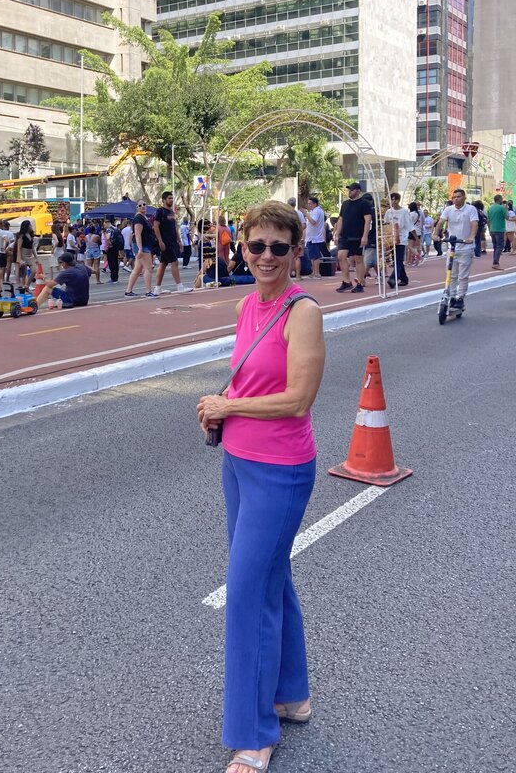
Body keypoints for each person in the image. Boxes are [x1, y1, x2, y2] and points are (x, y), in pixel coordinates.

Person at [196, 201, 324, 773]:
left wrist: (230, 406)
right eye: (256, 246)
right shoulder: (247, 304)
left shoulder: (304, 313)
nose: (266, 257)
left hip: (281, 470)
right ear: (241, 248)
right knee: (273, 579)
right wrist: (219, 406)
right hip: (238, 462)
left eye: (278, 247)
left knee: (247, 594)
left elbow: (298, 399)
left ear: (296, 251)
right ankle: (291, 695)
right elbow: (249, 380)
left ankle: (253, 735)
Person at [432, 188, 478, 311]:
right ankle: (451, 297)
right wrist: (435, 234)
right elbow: (440, 223)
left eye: (458, 197)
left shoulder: (471, 209)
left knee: (463, 276)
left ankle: (460, 298)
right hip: (452, 247)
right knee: (451, 274)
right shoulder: (448, 210)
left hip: (466, 247)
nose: (456, 199)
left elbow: (474, 224)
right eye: (454, 197)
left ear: (464, 198)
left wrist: (471, 237)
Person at [152, 191, 192, 296]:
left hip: (172, 241)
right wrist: (160, 241)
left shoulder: (171, 212)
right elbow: (155, 226)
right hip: (165, 242)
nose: (171, 200)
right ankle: (180, 286)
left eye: (172, 198)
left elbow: (174, 228)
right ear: (163, 200)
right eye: (169, 198)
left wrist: (179, 241)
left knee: (163, 264)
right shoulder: (160, 211)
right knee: (174, 262)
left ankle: (157, 288)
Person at [334, 182, 372, 293]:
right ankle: (346, 282)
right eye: (349, 190)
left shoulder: (364, 204)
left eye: (352, 190)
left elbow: (368, 220)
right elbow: (341, 219)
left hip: (357, 235)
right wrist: (337, 234)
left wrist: (365, 236)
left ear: (358, 191)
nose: (349, 192)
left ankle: (360, 283)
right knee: (341, 256)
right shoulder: (345, 204)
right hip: (345, 235)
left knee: (358, 258)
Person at [125, 201, 157, 297]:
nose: (143, 206)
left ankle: (128, 291)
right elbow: (137, 234)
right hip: (142, 246)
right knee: (148, 268)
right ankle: (148, 291)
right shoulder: (138, 218)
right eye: (140, 205)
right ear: (137, 207)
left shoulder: (144, 218)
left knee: (137, 269)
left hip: (145, 245)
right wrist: (140, 248)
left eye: (144, 204)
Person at [383, 193, 412, 289]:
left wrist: (416, 238)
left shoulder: (404, 212)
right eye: (392, 199)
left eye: (395, 199)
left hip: (401, 238)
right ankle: (404, 278)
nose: (393, 201)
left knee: (398, 259)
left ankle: (393, 278)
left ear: (399, 200)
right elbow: (386, 224)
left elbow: (409, 225)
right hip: (391, 238)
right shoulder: (388, 212)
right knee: (395, 260)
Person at [303, 195, 326, 279]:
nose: (308, 205)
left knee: (315, 256)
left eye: (310, 204)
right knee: (312, 256)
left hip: (314, 238)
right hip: (312, 237)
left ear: (315, 204)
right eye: (308, 204)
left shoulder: (316, 211)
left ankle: (317, 272)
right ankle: (314, 272)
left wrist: (306, 214)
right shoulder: (315, 211)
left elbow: (313, 222)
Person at [13, 220, 38, 292]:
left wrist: (36, 257)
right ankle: (23, 287)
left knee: (34, 270)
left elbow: (32, 247)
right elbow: (19, 247)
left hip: (30, 255)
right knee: (24, 274)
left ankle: (27, 285)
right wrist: (19, 259)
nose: (31, 226)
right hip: (23, 254)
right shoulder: (22, 236)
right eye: (30, 225)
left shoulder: (30, 235)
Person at [487, 194, 507, 270]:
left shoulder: (490, 208)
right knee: (500, 246)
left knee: (495, 246)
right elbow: (507, 217)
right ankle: (496, 263)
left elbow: (488, 220)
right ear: (500, 199)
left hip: (492, 229)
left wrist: (489, 229)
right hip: (499, 229)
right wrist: (506, 209)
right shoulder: (502, 208)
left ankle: (495, 262)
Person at [104, 218, 124, 283]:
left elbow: (107, 238)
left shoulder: (109, 229)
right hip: (116, 247)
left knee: (111, 262)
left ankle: (113, 278)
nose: (104, 225)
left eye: (104, 224)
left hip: (111, 247)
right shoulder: (116, 228)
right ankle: (116, 277)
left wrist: (107, 246)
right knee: (115, 262)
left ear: (107, 223)